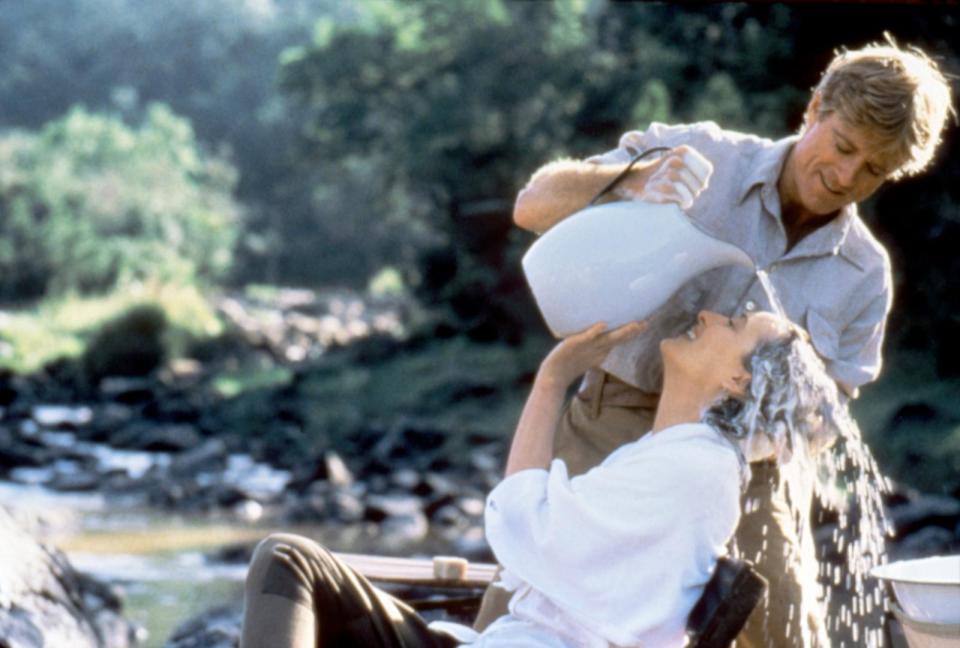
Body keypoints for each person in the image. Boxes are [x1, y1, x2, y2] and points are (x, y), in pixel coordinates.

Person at [473, 40, 954, 647]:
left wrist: (717, 452)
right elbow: (532, 206)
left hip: (743, 470)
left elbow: (825, 417)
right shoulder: (699, 155)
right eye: (844, 147)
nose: (844, 178)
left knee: (790, 635)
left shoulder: (864, 273)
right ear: (813, 110)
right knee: (514, 610)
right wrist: (632, 182)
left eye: (874, 171)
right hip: (615, 418)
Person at [239, 309, 846, 648]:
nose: (710, 314)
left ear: (739, 381)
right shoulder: (680, 457)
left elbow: (521, 525)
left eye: (734, 322)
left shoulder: (694, 469)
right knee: (293, 565)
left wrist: (552, 382)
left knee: (289, 560)